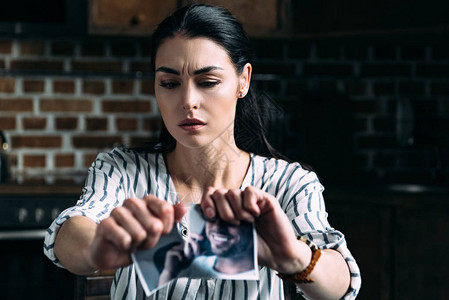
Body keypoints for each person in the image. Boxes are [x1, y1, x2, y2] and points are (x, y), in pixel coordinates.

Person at [44, 4, 361, 300]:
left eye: (207, 81)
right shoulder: (122, 170)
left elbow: (339, 283)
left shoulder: (289, 183)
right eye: (169, 83)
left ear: (243, 80)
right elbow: (75, 227)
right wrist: (96, 248)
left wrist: (293, 257)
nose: (188, 101)